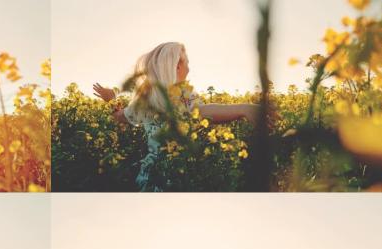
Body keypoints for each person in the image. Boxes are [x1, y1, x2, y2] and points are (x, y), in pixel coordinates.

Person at [93, 42, 261, 191]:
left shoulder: (146, 98)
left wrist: (111, 100)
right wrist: (243, 108)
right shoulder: (182, 95)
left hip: (149, 178)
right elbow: (203, 112)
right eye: (187, 62)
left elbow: (120, 116)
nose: (189, 68)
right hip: (177, 177)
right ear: (176, 67)